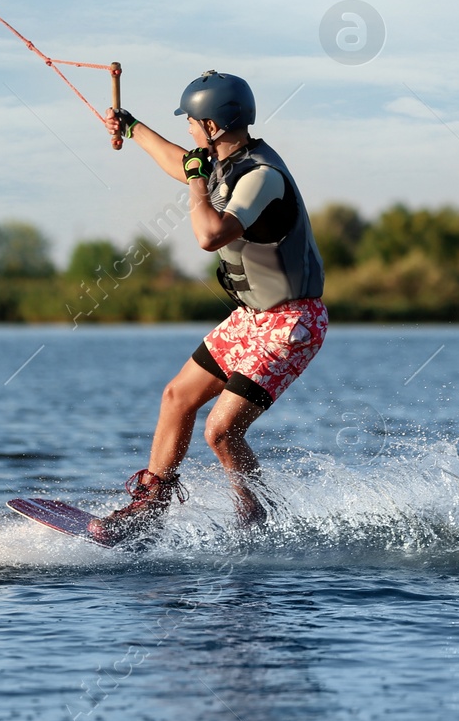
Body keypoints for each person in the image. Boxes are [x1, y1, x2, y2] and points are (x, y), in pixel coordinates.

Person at [91, 70, 327, 544]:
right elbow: (182, 162)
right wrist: (132, 127)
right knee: (177, 397)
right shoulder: (225, 157)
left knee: (221, 432)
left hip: (292, 323)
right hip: (253, 319)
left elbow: (208, 235)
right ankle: (149, 508)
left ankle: (258, 519)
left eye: (192, 122)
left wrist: (197, 185)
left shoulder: (261, 176)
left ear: (213, 127)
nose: (189, 131)